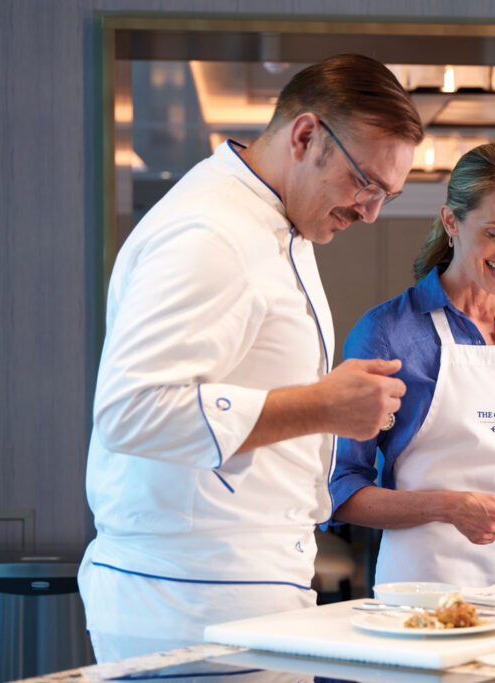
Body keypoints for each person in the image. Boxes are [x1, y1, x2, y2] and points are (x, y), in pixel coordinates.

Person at [78, 54, 423, 662]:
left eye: (385, 196)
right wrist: (322, 406)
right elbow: (130, 410)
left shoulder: (276, 219)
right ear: (306, 135)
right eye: (364, 183)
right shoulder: (210, 234)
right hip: (190, 598)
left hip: (234, 586)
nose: (369, 211)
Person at [329, 142, 495, 587]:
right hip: (423, 595)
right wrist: (448, 507)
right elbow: (340, 493)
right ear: (451, 221)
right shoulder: (389, 333)